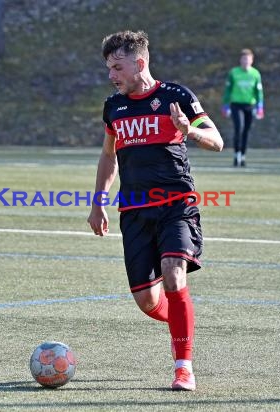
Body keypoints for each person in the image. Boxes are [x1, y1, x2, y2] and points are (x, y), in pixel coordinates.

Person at [87, 30, 224, 391]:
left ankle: (184, 367)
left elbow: (217, 141)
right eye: (108, 68)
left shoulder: (175, 97)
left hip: (176, 206)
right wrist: (98, 202)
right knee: (147, 301)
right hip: (133, 211)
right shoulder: (113, 106)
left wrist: (189, 132)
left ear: (140, 63)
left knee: (173, 274)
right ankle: (183, 319)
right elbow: (107, 154)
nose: (112, 75)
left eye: (117, 67)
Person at [221, 48, 264, 167]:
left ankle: (243, 156)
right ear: (240, 60)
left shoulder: (255, 74)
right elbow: (228, 90)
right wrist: (225, 105)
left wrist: (260, 106)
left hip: (249, 105)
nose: (246, 62)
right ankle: (236, 155)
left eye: (248, 59)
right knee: (238, 129)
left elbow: (259, 92)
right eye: (244, 59)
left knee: (246, 131)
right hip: (236, 105)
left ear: (252, 61)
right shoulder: (234, 72)